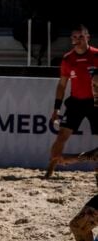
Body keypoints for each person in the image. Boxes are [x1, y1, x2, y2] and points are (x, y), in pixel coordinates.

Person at [45, 25, 98, 179]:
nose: (77, 40)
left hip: (95, 102)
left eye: (81, 37)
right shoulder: (68, 59)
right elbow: (62, 85)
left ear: (87, 37)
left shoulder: (96, 55)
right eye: (74, 37)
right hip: (75, 103)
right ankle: (50, 170)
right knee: (61, 135)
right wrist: (57, 108)